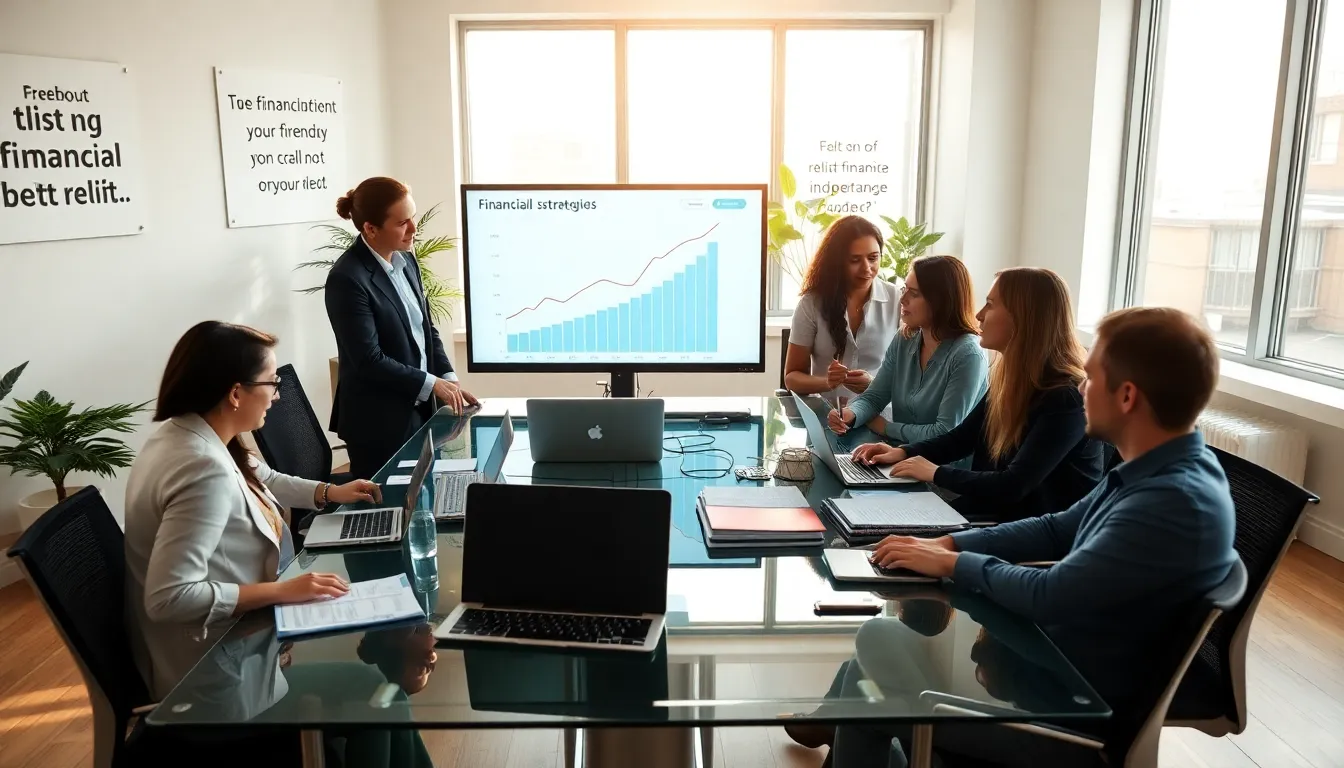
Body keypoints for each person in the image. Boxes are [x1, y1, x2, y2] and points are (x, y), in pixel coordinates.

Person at [842, 306, 1237, 768]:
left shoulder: (1167, 503)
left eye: (1090, 377)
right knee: (869, 668)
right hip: (1057, 663)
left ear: (1127, 396)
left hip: (1069, 713)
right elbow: (1056, 529)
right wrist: (948, 544)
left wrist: (952, 564)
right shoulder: (1161, 468)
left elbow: (1051, 594)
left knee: (874, 652)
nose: (1081, 388)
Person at [124, 321, 381, 700]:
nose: (277, 396)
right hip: (214, 676)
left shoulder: (188, 433)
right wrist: (278, 591)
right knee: (373, 685)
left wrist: (330, 491)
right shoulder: (201, 468)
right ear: (235, 394)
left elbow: (268, 478)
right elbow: (169, 598)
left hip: (243, 641)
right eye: (272, 383)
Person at [851, 267, 1103, 522]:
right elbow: (964, 437)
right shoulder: (1014, 379)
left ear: (1023, 317)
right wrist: (904, 452)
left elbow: (1014, 485)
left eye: (990, 305)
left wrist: (935, 473)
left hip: (1023, 533)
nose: (979, 315)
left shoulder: (1066, 399)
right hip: (991, 515)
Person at [326, 176, 477, 479]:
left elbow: (426, 328)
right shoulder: (347, 279)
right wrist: (433, 384)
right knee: (391, 509)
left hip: (418, 409)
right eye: (402, 222)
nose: (414, 229)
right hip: (378, 422)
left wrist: (448, 378)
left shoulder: (406, 261)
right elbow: (369, 360)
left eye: (414, 217)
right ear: (370, 228)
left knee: (425, 495)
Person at [827, 254, 987, 443]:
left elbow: (944, 433)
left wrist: (886, 427)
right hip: (898, 455)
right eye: (905, 289)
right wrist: (849, 414)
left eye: (914, 293)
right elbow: (874, 397)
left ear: (942, 300)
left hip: (940, 468)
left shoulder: (968, 354)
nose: (902, 299)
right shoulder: (904, 338)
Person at [785, 215, 901, 404]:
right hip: (827, 420)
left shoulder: (897, 299)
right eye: (855, 260)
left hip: (881, 419)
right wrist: (827, 382)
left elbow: (912, 375)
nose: (867, 268)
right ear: (836, 261)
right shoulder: (811, 304)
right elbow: (792, 378)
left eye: (873, 258)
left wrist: (873, 385)